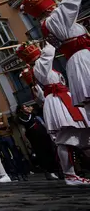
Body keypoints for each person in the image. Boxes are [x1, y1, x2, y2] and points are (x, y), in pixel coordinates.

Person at [15, 41, 90, 185]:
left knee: (85, 136)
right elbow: (49, 53)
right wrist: (45, 42)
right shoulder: (40, 66)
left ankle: (71, 174)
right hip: (59, 101)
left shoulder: (42, 68)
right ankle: (70, 175)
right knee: (66, 138)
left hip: (65, 98)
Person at [20, 0, 90, 118]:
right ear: (47, 10)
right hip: (83, 60)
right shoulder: (55, 20)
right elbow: (71, 2)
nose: (55, 6)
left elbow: (62, 12)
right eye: (52, 5)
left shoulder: (49, 24)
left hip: (76, 62)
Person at [16, 104, 59, 180]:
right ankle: (48, 171)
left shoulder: (34, 114)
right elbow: (27, 121)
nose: (27, 108)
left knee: (50, 150)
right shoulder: (21, 117)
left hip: (43, 133)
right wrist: (30, 113)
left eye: (27, 106)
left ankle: (56, 169)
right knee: (42, 153)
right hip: (34, 136)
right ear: (21, 110)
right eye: (25, 107)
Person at [0, 105, 27, 181]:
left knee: (15, 154)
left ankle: (22, 173)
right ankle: (14, 174)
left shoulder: (2, 114)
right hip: (0, 138)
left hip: (8, 136)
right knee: (7, 157)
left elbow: (5, 124)